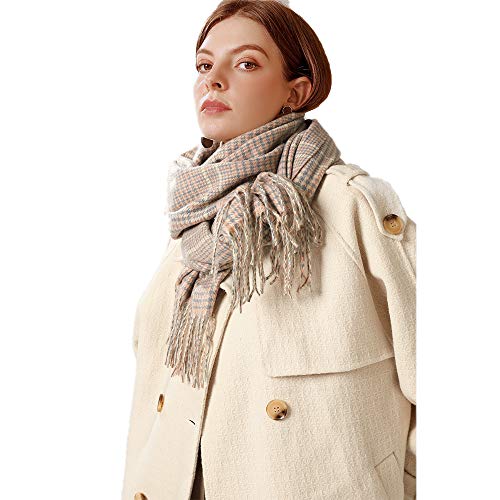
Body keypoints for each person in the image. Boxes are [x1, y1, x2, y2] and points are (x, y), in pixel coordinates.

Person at [121, 1, 416, 499]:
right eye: (204, 64)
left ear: (294, 92)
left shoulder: (350, 206)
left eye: (245, 63)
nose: (213, 80)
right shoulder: (192, 227)